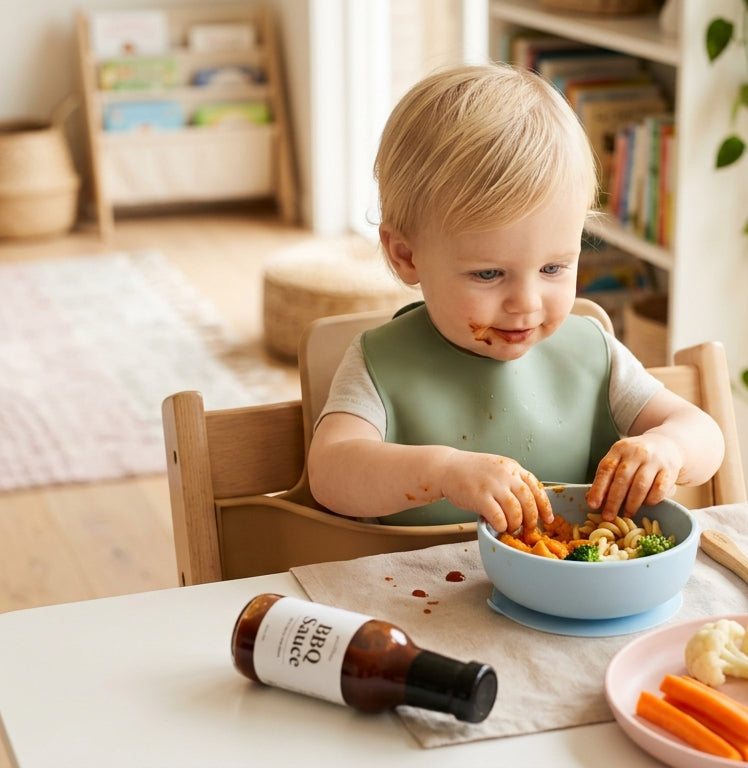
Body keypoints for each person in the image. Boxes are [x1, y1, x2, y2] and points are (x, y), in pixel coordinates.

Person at [307, 63, 725, 535]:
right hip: (419, 593)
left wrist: (667, 448)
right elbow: (330, 472)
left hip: (572, 595)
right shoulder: (378, 363)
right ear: (407, 256)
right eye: (488, 273)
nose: (526, 303)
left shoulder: (591, 354)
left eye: (553, 268)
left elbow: (705, 435)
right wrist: (444, 473)